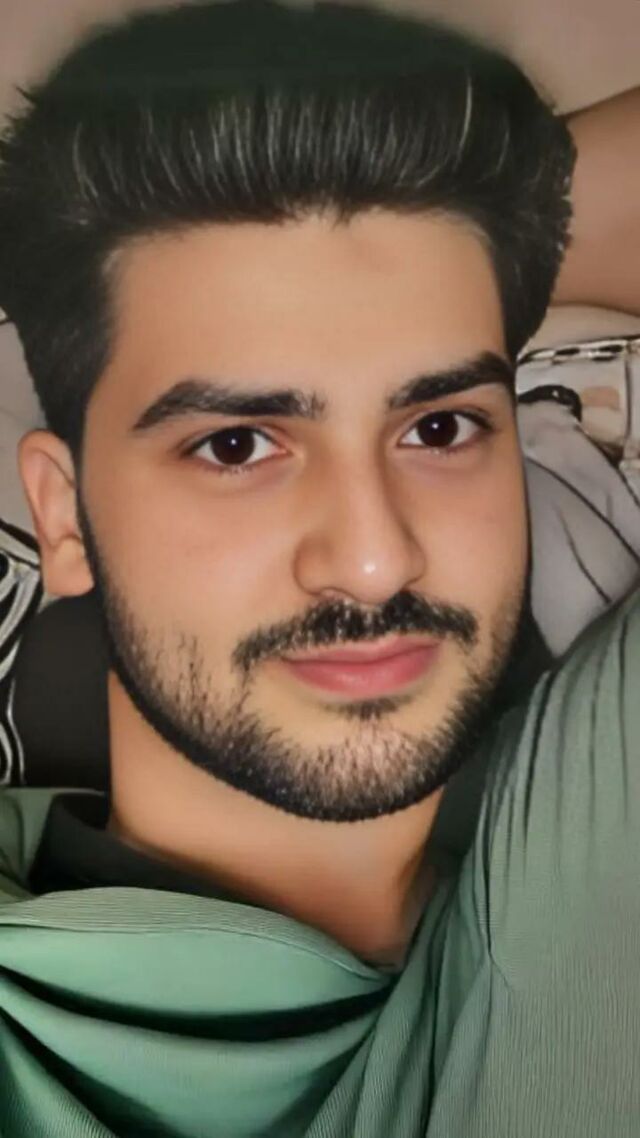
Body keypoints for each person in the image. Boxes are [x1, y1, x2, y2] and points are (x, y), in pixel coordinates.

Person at [0, 1, 638, 1134]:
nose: (377, 556)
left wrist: (490, 245)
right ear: (65, 517)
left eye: (438, 426)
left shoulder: (599, 778)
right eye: (237, 446)